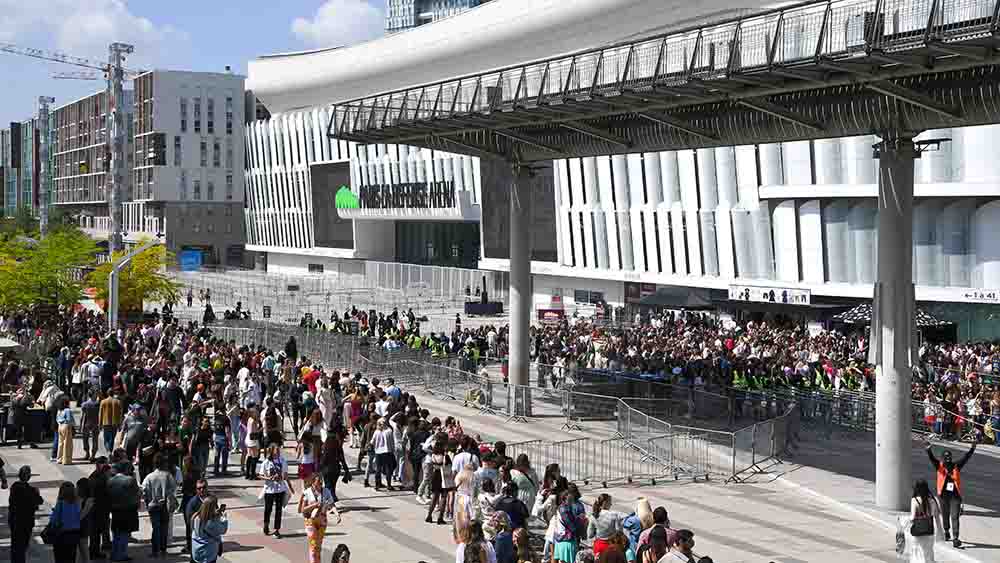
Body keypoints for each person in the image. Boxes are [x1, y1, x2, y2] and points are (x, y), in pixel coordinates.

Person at [927, 442, 976, 547]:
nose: (947, 459)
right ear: (943, 459)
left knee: (955, 516)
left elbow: (966, 457)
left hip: (955, 496)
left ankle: (955, 538)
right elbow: (932, 459)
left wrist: (972, 448)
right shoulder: (939, 466)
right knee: (945, 515)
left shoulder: (956, 466)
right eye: (945, 457)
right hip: (943, 496)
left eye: (949, 457)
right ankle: (946, 531)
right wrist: (928, 450)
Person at [299, 474, 341, 563]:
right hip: (310, 521)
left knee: (318, 546)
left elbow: (331, 504)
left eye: (321, 481)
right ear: (313, 483)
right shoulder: (307, 492)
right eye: (318, 481)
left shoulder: (326, 491)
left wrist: (337, 514)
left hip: (322, 521)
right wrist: (314, 505)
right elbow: (303, 509)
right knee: (313, 546)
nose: (320, 483)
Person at [8, 465, 44, 563]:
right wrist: (37, 492)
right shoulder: (31, 490)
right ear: (29, 477)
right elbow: (40, 501)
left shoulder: (14, 487)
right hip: (26, 522)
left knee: (15, 545)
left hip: (15, 520)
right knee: (23, 545)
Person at [107, 461, 141, 562]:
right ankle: (121, 554)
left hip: (115, 509)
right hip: (127, 509)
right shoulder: (130, 480)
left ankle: (114, 553)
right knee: (124, 533)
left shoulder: (110, 480)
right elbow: (137, 493)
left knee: (116, 532)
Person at [260, 443, 294, 538]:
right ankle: (266, 524)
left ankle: (276, 530)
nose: (278, 451)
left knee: (279, 510)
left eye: (279, 450)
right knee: (268, 509)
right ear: (271, 451)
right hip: (269, 490)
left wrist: (290, 486)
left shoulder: (282, 460)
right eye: (276, 450)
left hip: (280, 489)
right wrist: (268, 478)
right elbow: (260, 475)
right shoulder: (266, 462)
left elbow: (286, 474)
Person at [50, 481, 83, 563]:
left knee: (60, 559)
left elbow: (53, 520)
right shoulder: (77, 503)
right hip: (74, 534)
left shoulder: (60, 504)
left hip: (61, 535)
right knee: (71, 558)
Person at [553, 484, 587, 563]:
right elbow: (572, 526)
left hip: (561, 539)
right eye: (570, 499)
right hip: (566, 540)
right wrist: (581, 520)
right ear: (564, 499)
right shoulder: (564, 510)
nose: (572, 501)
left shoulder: (564, 507)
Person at [909, 479, 939, 563]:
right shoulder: (933, 500)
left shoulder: (915, 500)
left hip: (918, 531)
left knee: (917, 554)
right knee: (928, 554)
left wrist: (905, 521)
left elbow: (912, 517)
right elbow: (936, 517)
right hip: (930, 531)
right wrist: (940, 532)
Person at [190, 496, 228, 563]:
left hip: (196, 552)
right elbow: (223, 530)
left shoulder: (195, 517)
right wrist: (224, 518)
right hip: (208, 554)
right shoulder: (212, 523)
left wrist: (215, 514)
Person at [57, 396, 77, 465]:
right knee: (67, 444)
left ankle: (60, 458)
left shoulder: (59, 410)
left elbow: (57, 419)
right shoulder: (68, 410)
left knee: (61, 443)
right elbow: (69, 420)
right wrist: (74, 426)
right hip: (66, 426)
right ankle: (67, 460)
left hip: (60, 426)